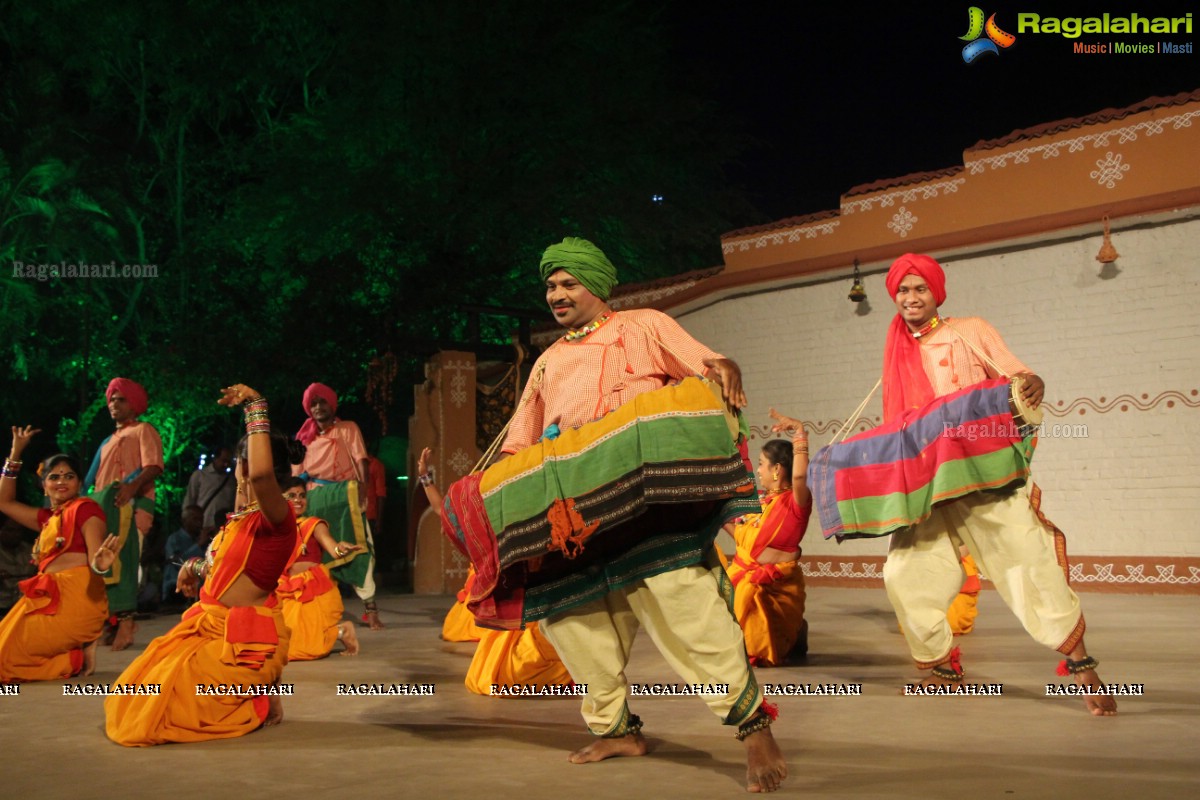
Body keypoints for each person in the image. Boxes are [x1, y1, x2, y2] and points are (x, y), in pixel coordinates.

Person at [494, 237, 787, 792]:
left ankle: (752, 728)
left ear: (597, 285)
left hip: (646, 495)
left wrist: (727, 365)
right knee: (570, 619)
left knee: (686, 602)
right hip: (575, 509)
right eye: (550, 285)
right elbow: (520, 443)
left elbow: (707, 362)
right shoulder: (547, 362)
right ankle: (616, 730)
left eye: (568, 283)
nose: (556, 294)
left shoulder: (644, 325)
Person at [879, 253, 1115, 716]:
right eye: (903, 290)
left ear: (936, 293)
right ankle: (945, 666)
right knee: (905, 574)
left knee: (1027, 561)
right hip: (928, 480)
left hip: (982, 471)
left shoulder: (970, 330)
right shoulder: (896, 352)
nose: (911, 298)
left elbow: (1016, 375)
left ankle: (1082, 664)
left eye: (920, 288)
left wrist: (1034, 381)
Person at [105, 385, 303, 745]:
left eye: (243, 461)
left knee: (166, 712)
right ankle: (256, 695)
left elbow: (260, 479)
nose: (239, 470)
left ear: (251, 466)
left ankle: (255, 700)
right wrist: (193, 567)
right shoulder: (237, 521)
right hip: (207, 627)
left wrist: (256, 407)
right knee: (135, 690)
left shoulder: (278, 519)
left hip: (241, 640)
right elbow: (222, 570)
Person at [416, 448, 571, 696]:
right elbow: (440, 510)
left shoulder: (522, 510)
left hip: (528, 596)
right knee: (491, 673)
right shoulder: (478, 517)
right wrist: (425, 478)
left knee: (508, 669)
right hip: (502, 594)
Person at [0, 426, 120, 682]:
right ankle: (72, 654)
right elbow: (4, 502)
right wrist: (16, 452)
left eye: (69, 476)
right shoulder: (47, 518)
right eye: (54, 477)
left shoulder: (86, 510)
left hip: (76, 600)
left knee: (4, 660)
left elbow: (96, 560)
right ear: (44, 486)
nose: (62, 481)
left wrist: (101, 564)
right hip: (44, 598)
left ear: (78, 483)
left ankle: (72, 658)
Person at [724, 411, 812, 667]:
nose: (758, 469)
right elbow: (743, 538)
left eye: (762, 463)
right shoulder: (761, 503)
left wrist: (800, 431)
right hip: (744, 577)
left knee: (754, 648)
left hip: (774, 587)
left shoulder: (796, 501)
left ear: (777, 469)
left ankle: (794, 633)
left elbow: (798, 476)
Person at [294, 383, 383, 630]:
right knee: (318, 556)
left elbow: (361, 461)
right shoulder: (303, 438)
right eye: (313, 403)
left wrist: (364, 490)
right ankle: (322, 611)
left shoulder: (348, 429)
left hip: (346, 497)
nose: (318, 407)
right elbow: (296, 476)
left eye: (322, 402)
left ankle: (371, 610)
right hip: (315, 500)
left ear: (332, 404)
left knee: (360, 549)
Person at [84, 377, 164, 651]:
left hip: (135, 503)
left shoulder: (144, 430)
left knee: (128, 560)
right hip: (105, 507)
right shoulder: (107, 440)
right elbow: (90, 479)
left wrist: (131, 487)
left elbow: (153, 466)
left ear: (135, 405)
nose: (114, 404)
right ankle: (113, 621)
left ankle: (128, 622)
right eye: (111, 399)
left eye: (121, 399)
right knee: (106, 563)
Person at [277, 477, 361, 659]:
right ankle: (339, 632)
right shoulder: (276, 529)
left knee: (302, 649)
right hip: (287, 589)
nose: (298, 500)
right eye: (292, 495)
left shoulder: (314, 524)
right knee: (282, 645)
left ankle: (341, 632)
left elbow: (332, 547)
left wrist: (340, 549)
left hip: (311, 588)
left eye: (302, 495)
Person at [183, 445, 236, 530]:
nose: (226, 465)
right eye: (224, 461)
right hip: (202, 525)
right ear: (215, 458)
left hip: (223, 526)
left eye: (228, 462)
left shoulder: (231, 480)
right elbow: (190, 498)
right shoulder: (200, 475)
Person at [162, 505, 206, 605]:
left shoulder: (202, 538)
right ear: (185, 520)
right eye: (195, 519)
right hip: (175, 588)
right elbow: (177, 562)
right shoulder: (174, 539)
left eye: (201, 519)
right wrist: (198, 545)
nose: (199, 523)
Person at [0, 517, 37, 613]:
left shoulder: (30, 551)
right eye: (10, 530)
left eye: (18, 531)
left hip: (22, 608)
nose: (15, 534)